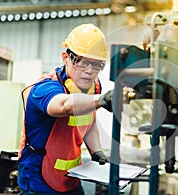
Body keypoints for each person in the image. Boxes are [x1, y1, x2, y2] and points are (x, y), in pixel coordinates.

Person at [17, 23, 113, 194]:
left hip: (72, 180)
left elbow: (88, 122)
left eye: (97, 64)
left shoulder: (93, 88)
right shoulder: (45, 88)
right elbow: (64, 105)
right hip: (40, 182)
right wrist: (101, 100)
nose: (90, 70)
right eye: (82, 62)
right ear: (65, 57)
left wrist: (96, 151)